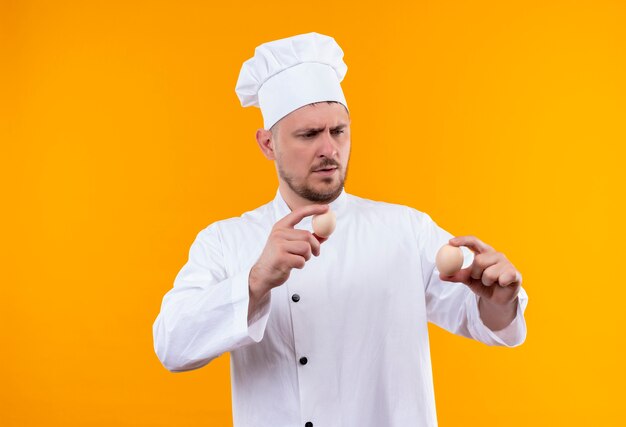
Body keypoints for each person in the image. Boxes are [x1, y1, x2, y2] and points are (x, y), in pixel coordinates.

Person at [153, 32, 528, 427]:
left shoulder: (405, 229)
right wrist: (255, 281)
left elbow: (483, 320)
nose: (329, 149)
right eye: (309, 135)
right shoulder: (226, 241)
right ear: (267, 144)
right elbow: (173, 347)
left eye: (339, 131)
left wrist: (499, 301)